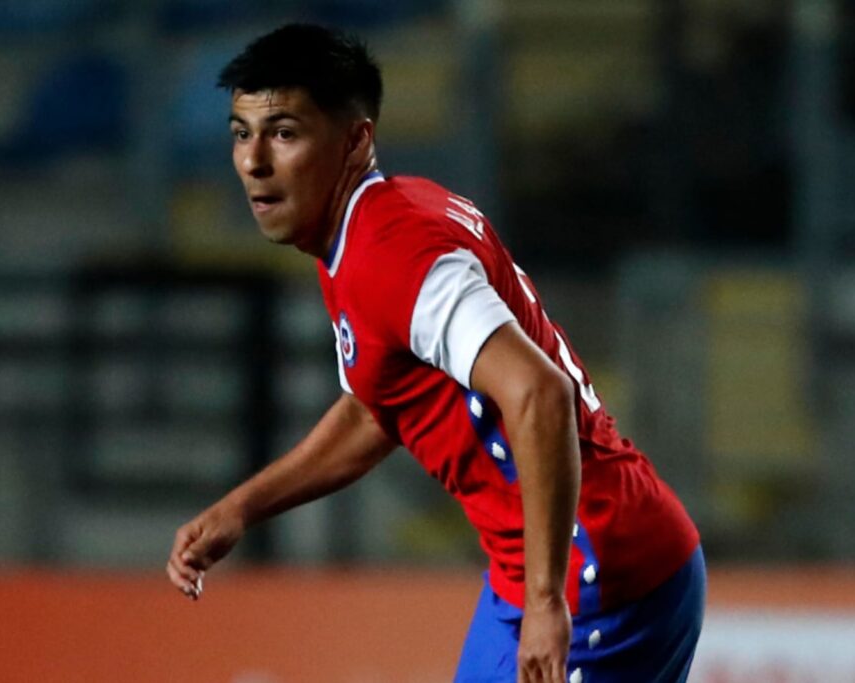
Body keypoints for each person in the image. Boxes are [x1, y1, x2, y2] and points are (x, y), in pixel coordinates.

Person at [166, 23, 704, 683]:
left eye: (284, 132)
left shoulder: (394, 255)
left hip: (596, 581)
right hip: (536, 571)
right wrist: (241, 507)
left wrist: (546, 600)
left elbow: (538, 391)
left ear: (356, 140)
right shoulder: (369, 230)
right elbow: (376, 409)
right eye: (241, 133)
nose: (253, 161)